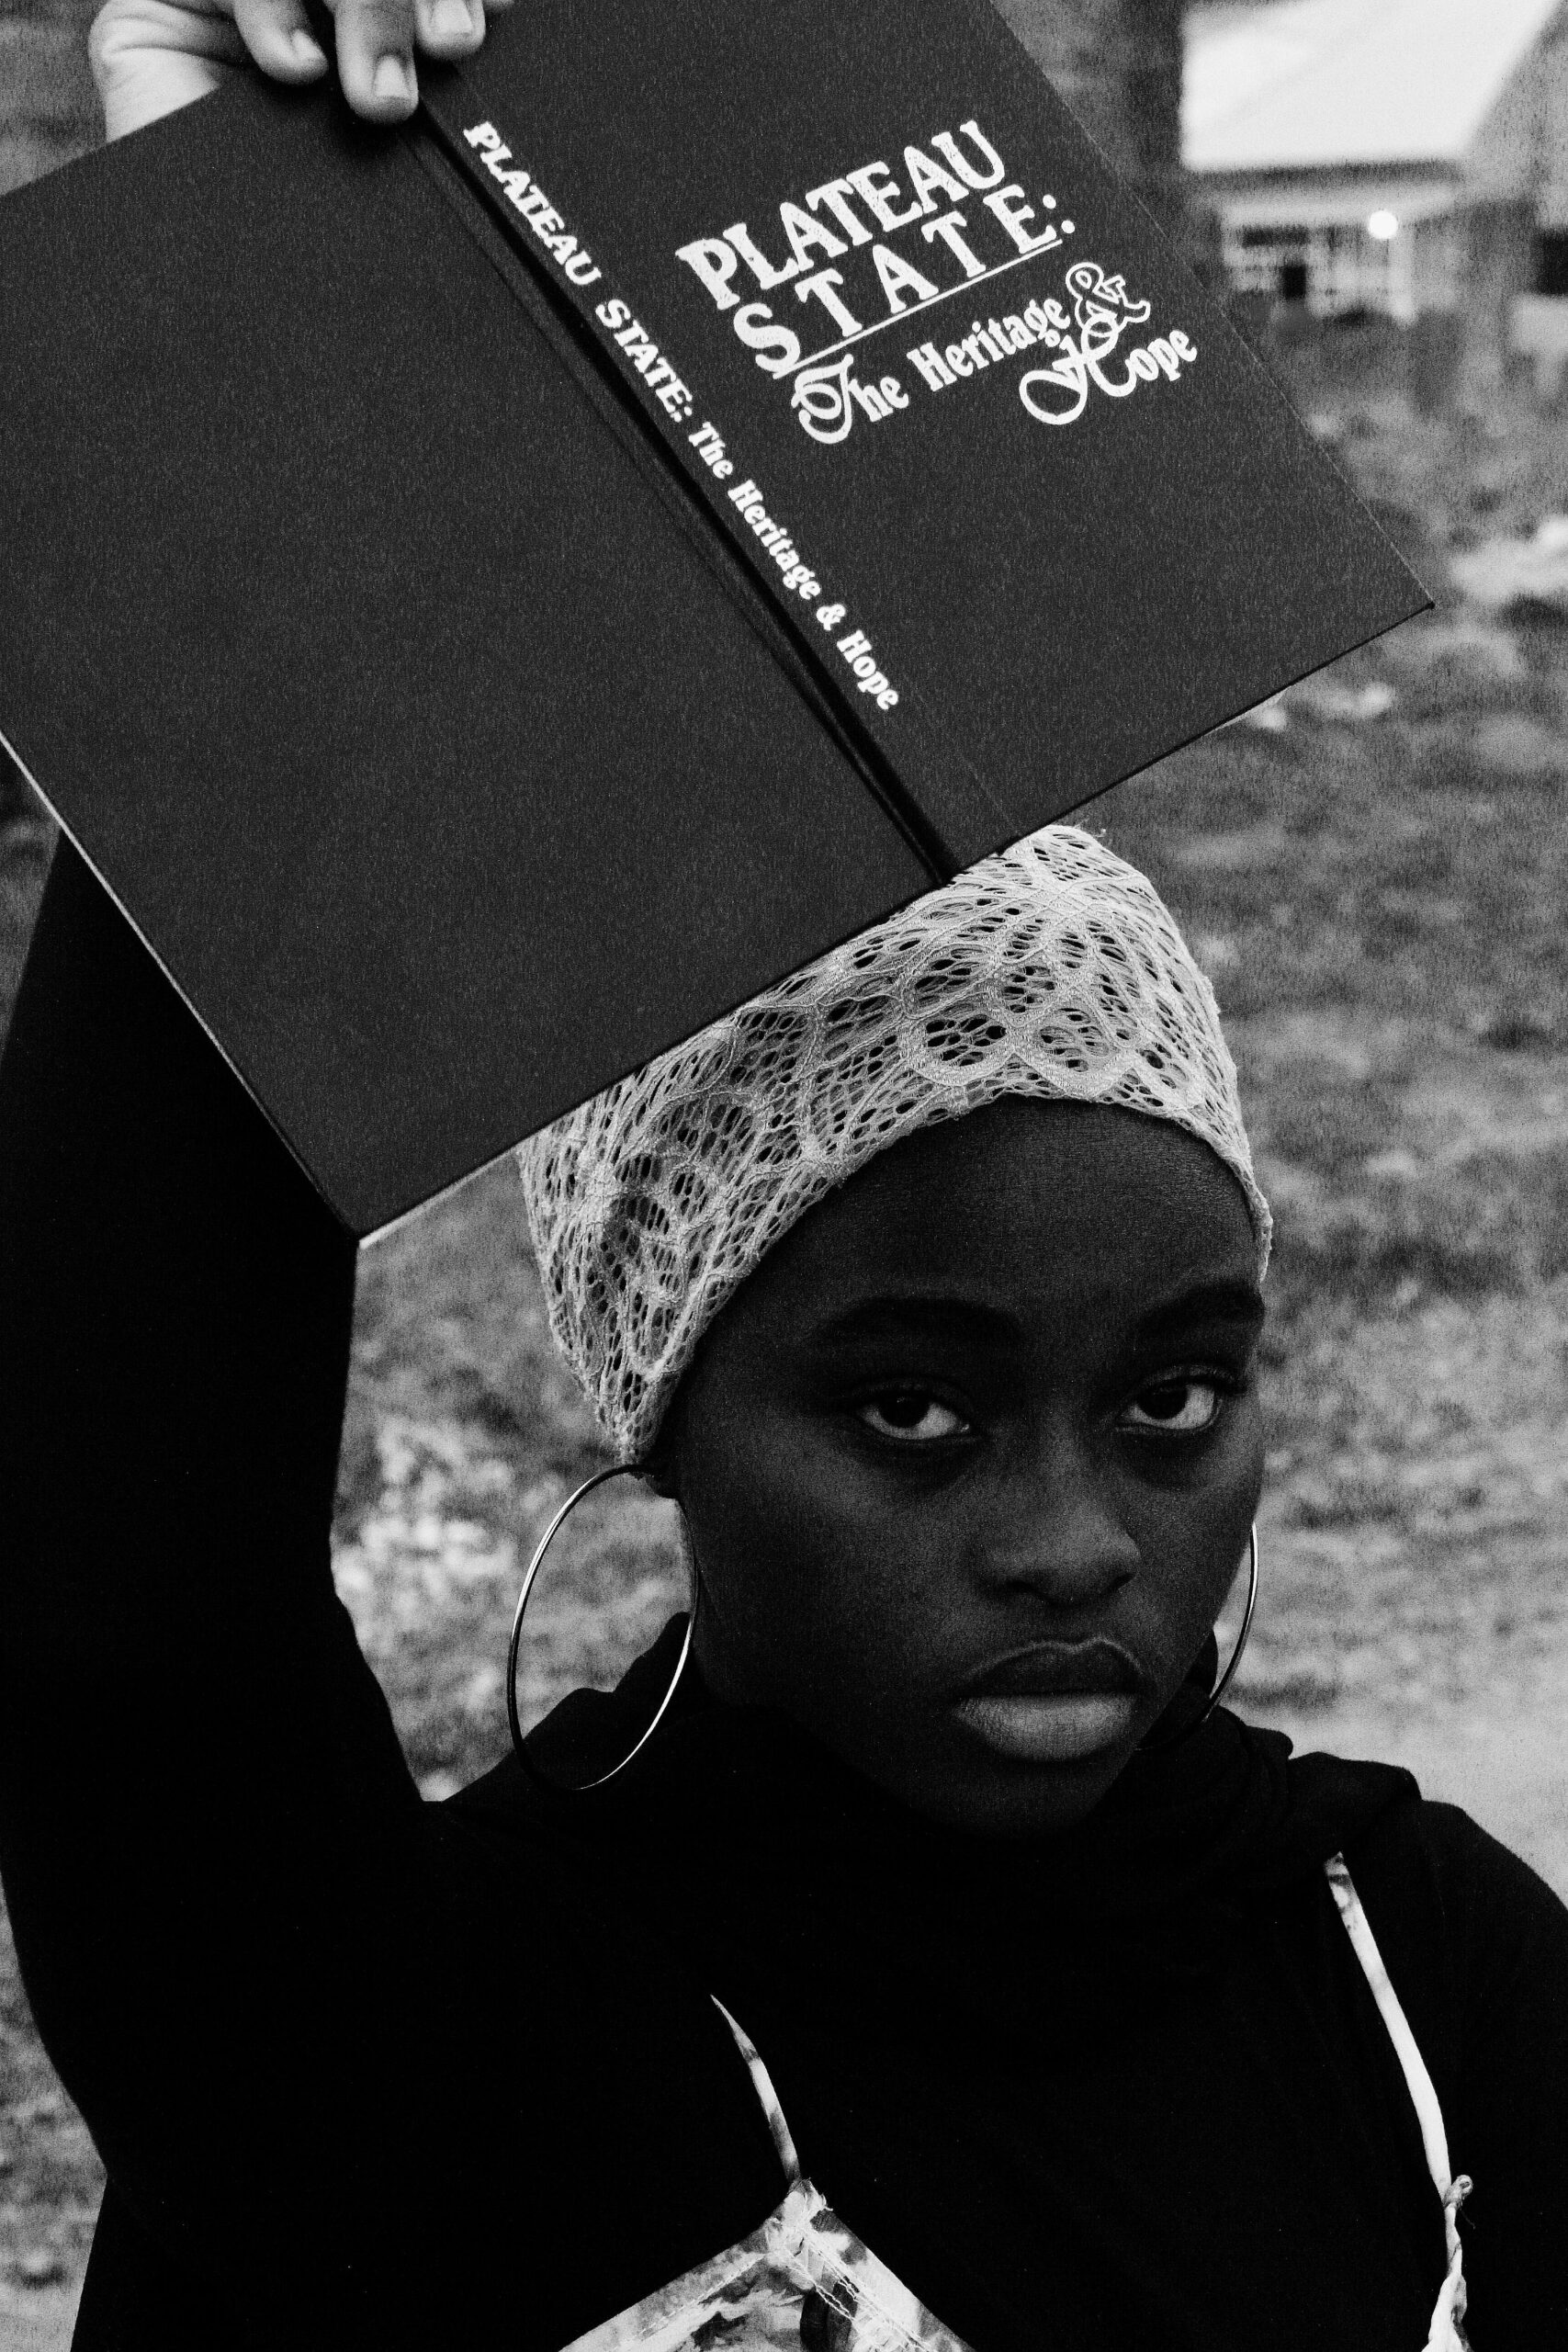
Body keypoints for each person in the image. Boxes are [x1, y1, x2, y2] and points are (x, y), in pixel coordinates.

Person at [1, 12, 1564, 2349]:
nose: (1067, 1537)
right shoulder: (437, 2058)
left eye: (1169, 1396)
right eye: (910, 1408)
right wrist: (280, 340)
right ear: (662, 1407)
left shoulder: (1415, 1969)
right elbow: (124, 1624)